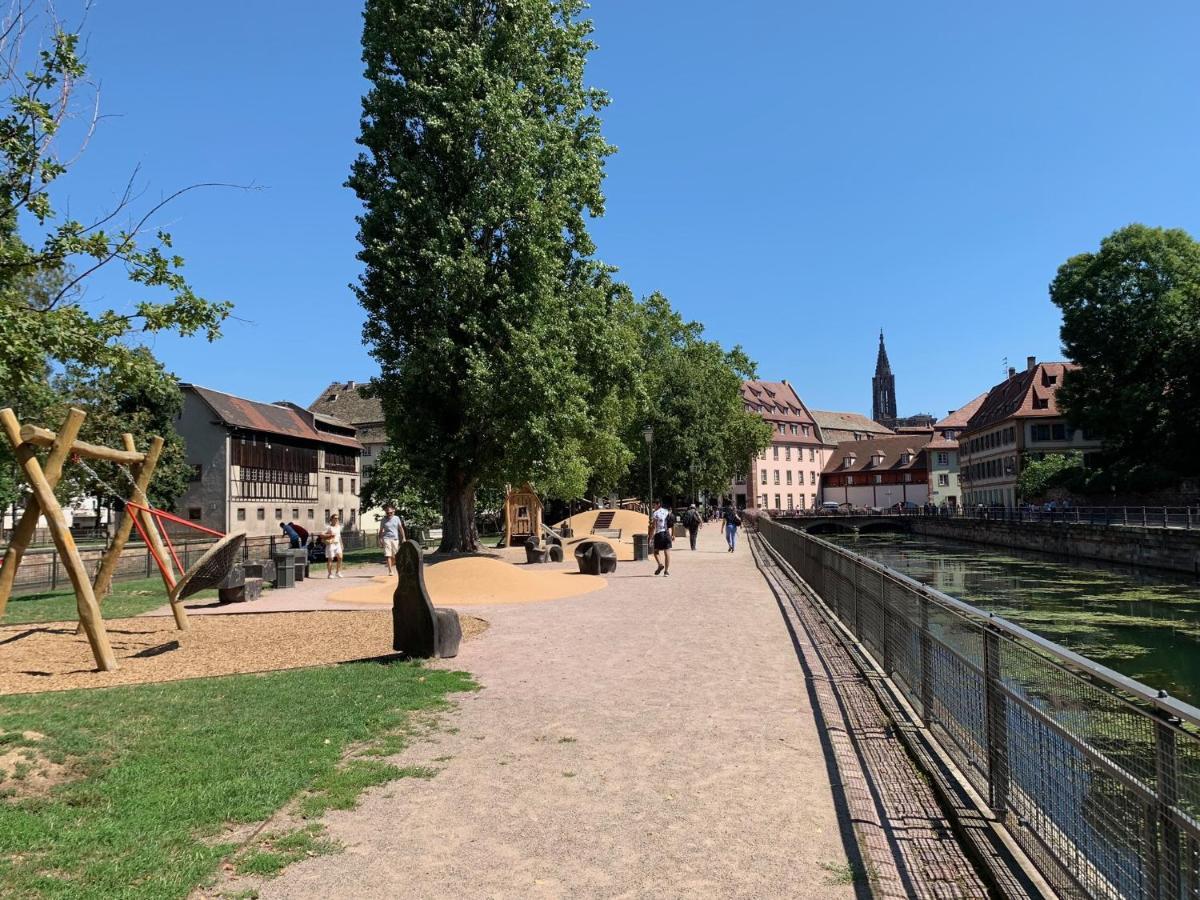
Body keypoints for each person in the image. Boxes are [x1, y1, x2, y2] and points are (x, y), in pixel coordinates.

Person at [378, 503, 407, 575]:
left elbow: (400, 528)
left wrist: (403, 537)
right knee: (388, 554)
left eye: (391, 512)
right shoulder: (383, 520)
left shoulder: (397, 518)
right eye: (387, 513)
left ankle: (390, 564)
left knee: (396, 556)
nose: (389, 514)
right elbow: (381, 530)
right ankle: (390, 571)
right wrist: (380, 539)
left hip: (395, 539)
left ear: (394, 511)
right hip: (386, 538)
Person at [649, 498, 674, 575]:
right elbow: (672, 524)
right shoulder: (667, 512)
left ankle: (660, 564)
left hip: (659, 534)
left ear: (658, 504)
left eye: (654, 505)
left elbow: (653, 527)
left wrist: (650, 537)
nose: (654, 506)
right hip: (666, 533)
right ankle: (666, 571)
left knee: (656, 551)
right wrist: (673, 534)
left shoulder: (655, 513)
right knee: (667, 552)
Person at [322, 513, 344, 578]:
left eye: (337, 518)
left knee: (340, 557)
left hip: (338, 544)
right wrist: (329, 535)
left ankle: (338, 572)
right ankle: (330, 574)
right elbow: (322, 534)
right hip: (331, 544)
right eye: (335, 518)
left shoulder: (339, 526)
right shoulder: (329, 527)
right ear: (331, 519)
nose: (337, 519)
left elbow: (339, 536)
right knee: (330, 559)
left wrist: (341, 544)